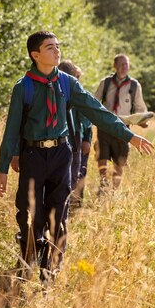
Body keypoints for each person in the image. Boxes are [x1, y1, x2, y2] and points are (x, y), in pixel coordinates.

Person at [0, 32, 153, 284]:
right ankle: (28, 260)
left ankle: (50, 273)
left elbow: (97, 111)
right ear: (35, 55)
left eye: (57, 46)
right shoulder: (23, 87)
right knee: (29, 214)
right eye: (50, 48)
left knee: (59, 214)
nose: (57, 51)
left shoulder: (68, 83)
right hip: (33, 155)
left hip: (61, 154)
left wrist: (129, 136)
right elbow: (12, 128)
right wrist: (2, 169)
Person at [94, 54, 148, 190]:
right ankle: (103, 185)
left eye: (126, 64)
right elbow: (94, 102)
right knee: (102, 156)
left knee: (120, 160)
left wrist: (143, 120)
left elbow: (140, 106)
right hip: (105, 126)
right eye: (121, 64)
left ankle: (114, 190)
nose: (124, 67)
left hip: (123, 127)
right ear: (115, 66)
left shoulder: (134, 85)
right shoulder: (105, 83)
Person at [58, 60, 92, 208]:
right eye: (74, 76)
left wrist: (87, 139)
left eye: (78, 77)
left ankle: (73, 204)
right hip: (59, 138)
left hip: (76, 136)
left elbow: (87, 120)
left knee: (77, 171)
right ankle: (61, 207)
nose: (76, 80)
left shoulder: (80, 94)